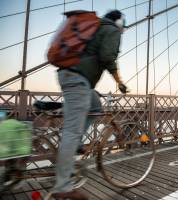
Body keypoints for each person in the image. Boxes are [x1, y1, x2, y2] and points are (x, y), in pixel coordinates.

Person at [50, 10, 128, 199]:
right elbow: (108, 57)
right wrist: (120, 82)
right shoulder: (112, 30)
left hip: (73, 77)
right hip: (78, 79)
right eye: (123, 25)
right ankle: (63, 186)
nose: (124, 29)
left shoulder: (95, 27)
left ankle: (75, 143)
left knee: (95, 107)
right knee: (72, 131)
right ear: (119, 21)